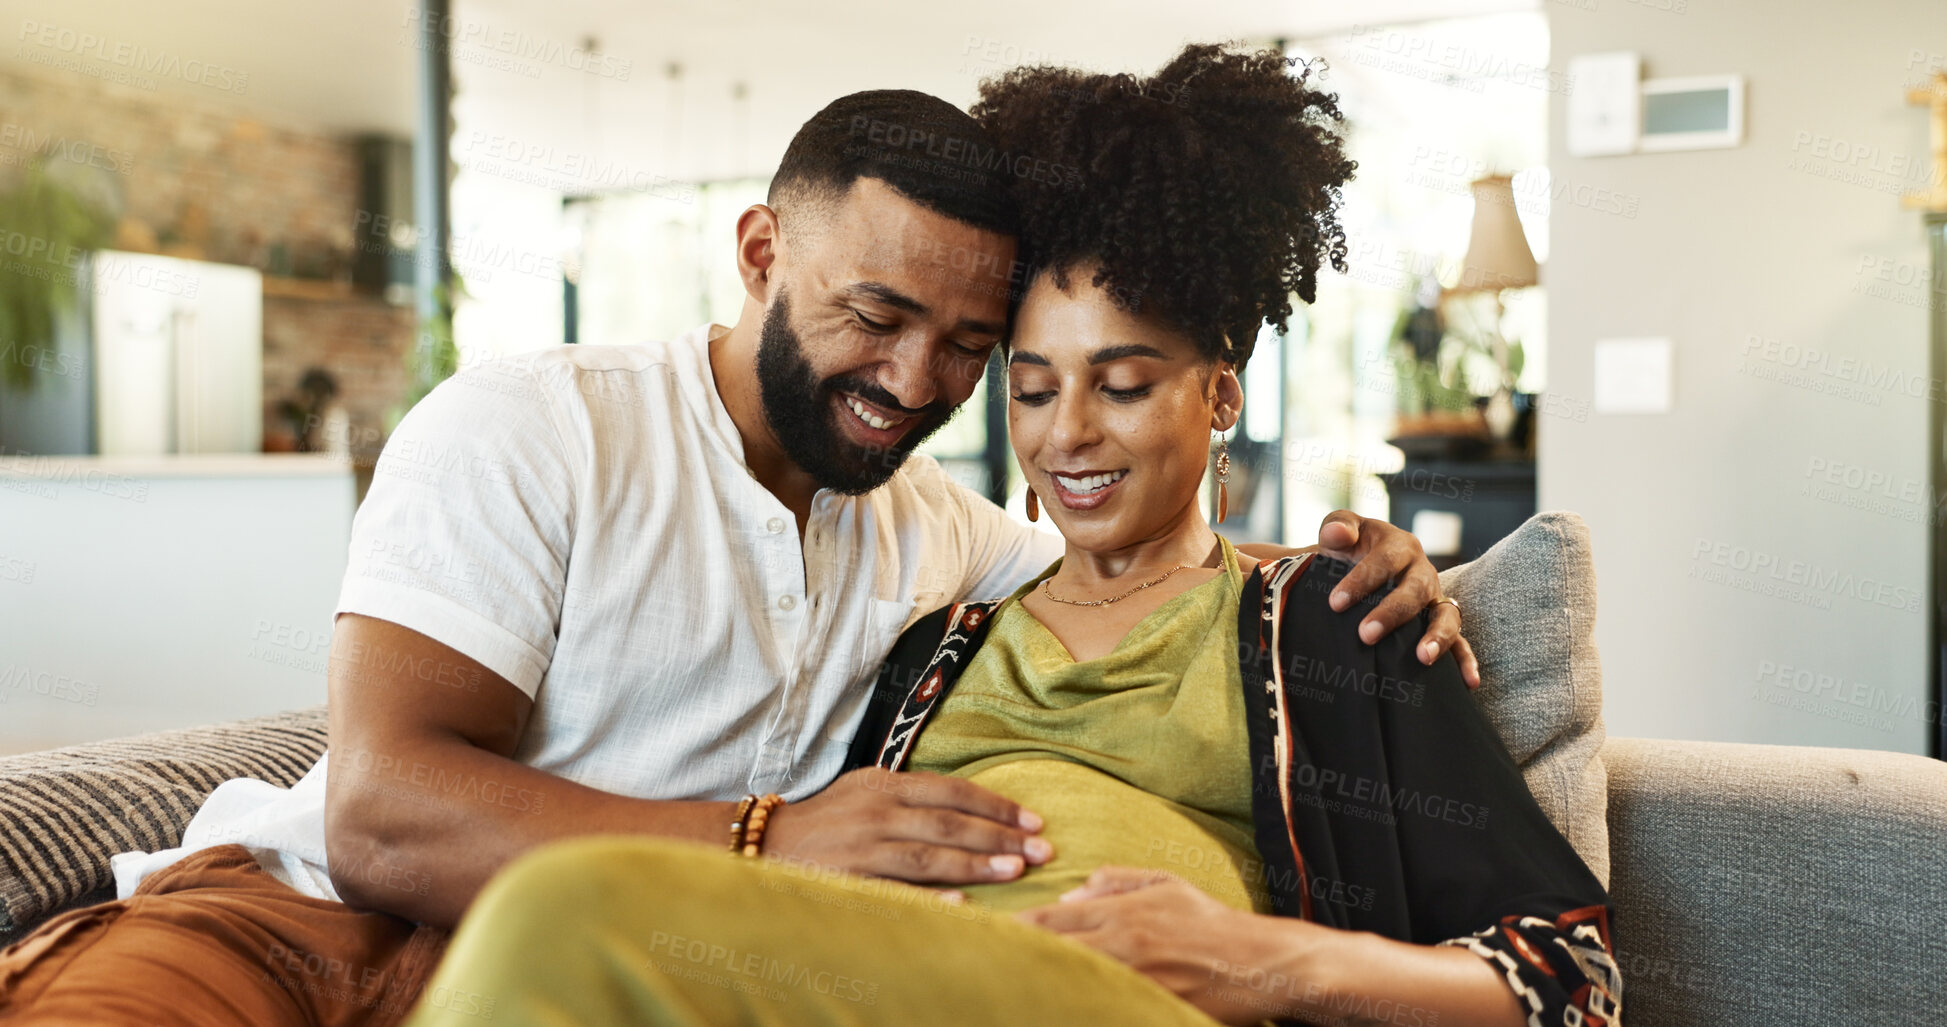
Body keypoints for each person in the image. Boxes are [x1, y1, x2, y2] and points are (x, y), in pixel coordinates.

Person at [0, 68, 1466, 1027]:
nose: (910, 383)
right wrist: (766, 836)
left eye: (967, 350)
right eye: (873, 317)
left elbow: (1136, 554)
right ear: (762, 252)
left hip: (569, 981)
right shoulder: (540, 425)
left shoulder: (935, 532)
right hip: (291, 925)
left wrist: (1361, 567)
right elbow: (383, 807)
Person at [396, 44, 1619, 1027]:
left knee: (566, 913)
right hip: (863, 984)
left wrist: (1261, 959)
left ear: (1222, 394)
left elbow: (1571, 977)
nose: (1069, 435)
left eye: (1124, 384)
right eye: (1030, 388)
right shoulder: (947, 617)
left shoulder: (1334, 621)